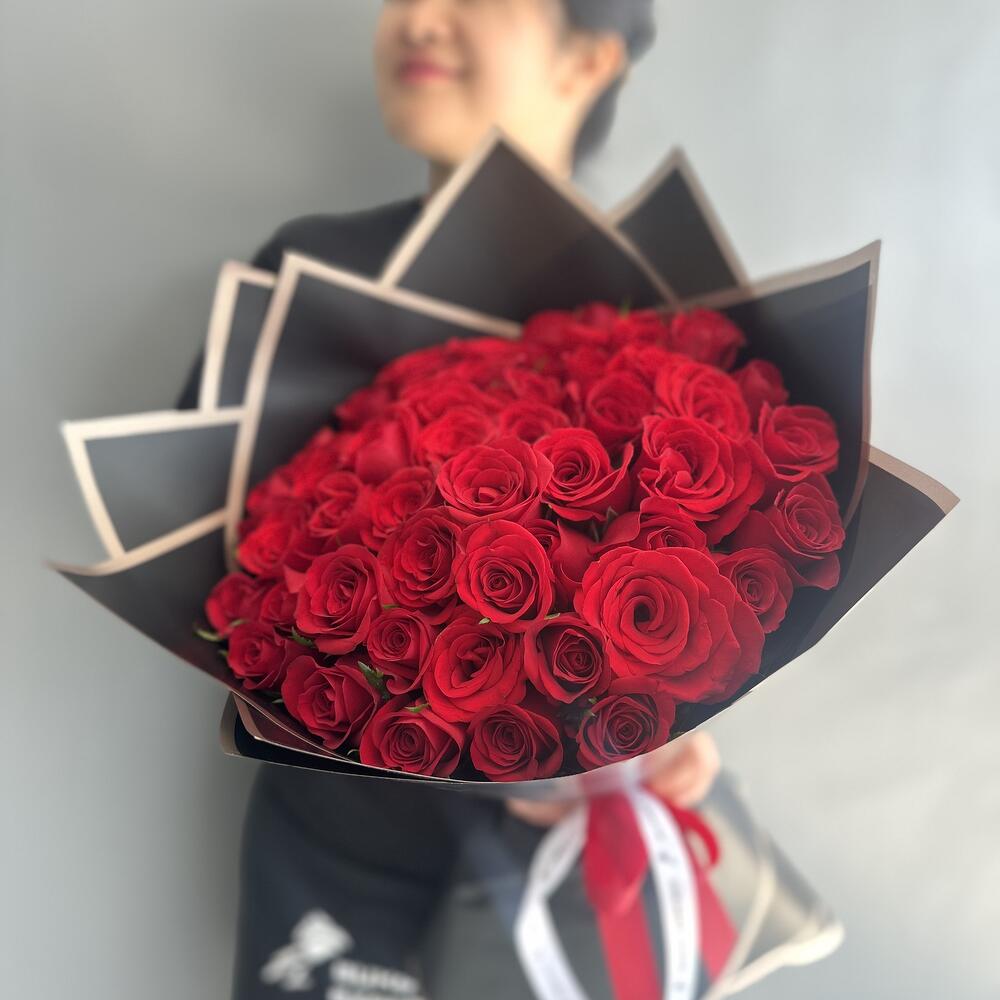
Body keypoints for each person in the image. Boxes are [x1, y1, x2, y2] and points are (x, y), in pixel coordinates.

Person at [176, 2, 721, 996]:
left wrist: (675, 721)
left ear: (588, 59)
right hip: (338, 851)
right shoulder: (305, 277)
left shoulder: (663, 305)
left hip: (575, 856)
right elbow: (204, 568)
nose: (422, 19)